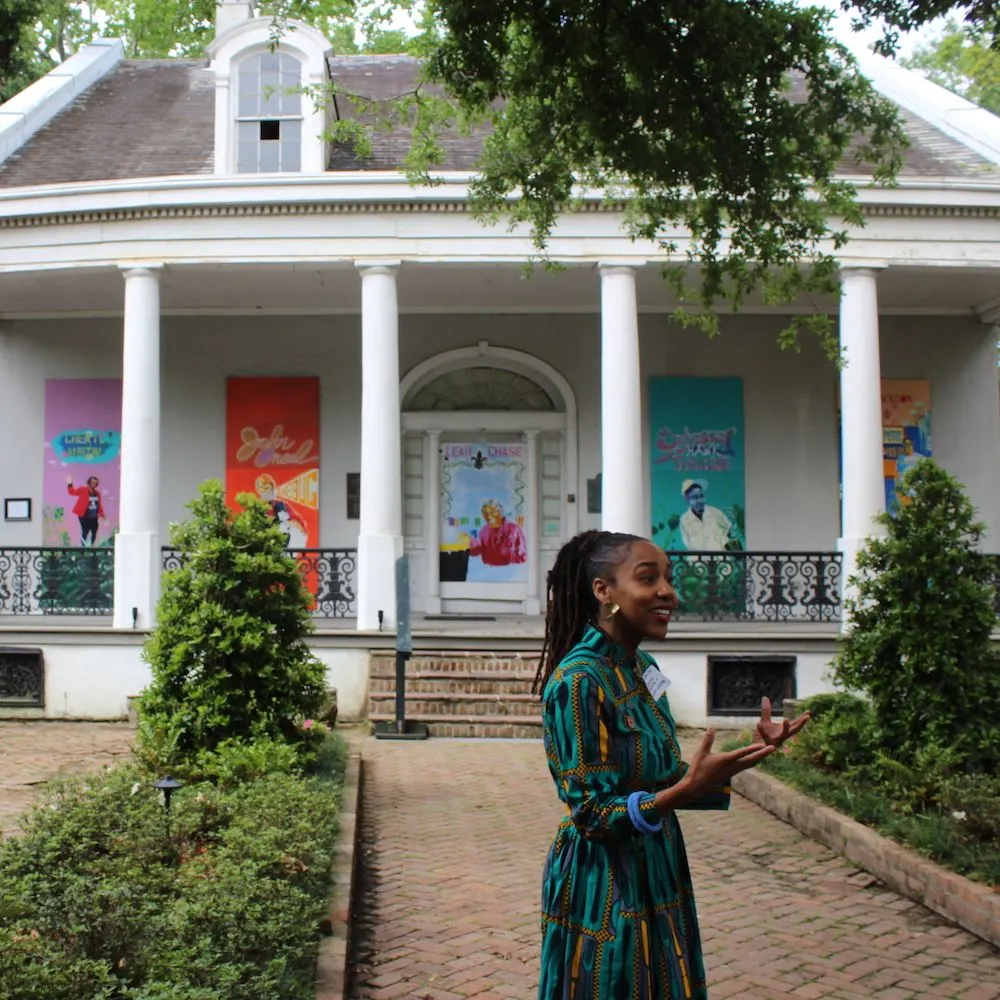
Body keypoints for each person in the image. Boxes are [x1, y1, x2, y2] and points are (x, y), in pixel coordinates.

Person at [533, 530, 809, 999]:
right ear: (604, 591)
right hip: (603, 880)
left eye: (668, 578)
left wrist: (744, 756)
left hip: (657, 865)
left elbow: (665, 773)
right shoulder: (577, 683)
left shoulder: (644, 668)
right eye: (648, 578)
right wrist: (678, 795)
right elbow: (592, 816)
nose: (668, 592)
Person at [460, 499, 527, 567]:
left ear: (499, 512)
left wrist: (504, 554)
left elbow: (523, 557)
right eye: (485, 514)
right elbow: (478, 550)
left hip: (509, 572)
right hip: (487, 572)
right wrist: (469, 542)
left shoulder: (514, 529)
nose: (488, 517)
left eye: (492, 512)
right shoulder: (483, 531)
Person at [679, 479, 734, 551]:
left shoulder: (716, 513)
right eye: (695, 497)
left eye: (701, 496)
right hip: (698, 560)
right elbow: (688, 544)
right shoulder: (684, 520)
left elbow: (728, 531)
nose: (700, 501)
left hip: (719, 559)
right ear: (687, 499)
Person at [66, 473, 105, 546]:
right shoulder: (83, 489)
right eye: (92, 482)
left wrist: (103, 515)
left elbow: (99, 505)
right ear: (89, 482)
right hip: (84, 516)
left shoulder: (97, 493)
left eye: (96, 483)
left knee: (94, 532)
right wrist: (70, 484)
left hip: (94, 516)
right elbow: (72, 492)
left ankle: (91, 546)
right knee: (85, 531)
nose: (94, 484)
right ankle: (83, 548)